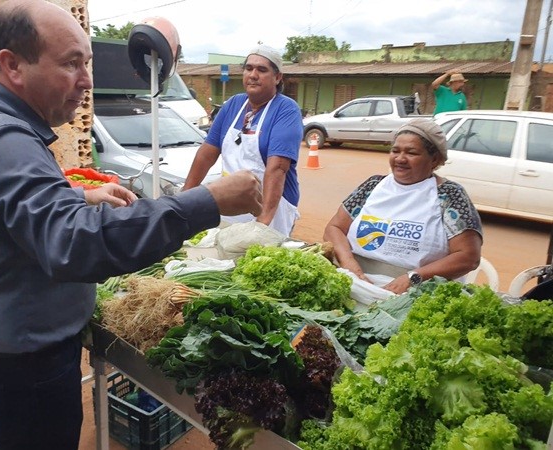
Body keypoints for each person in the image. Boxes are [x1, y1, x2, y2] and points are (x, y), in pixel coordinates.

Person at [0, 2, 262, 450]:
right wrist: (206, 201)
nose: (87, 80)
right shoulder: (2, 138)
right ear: (12, 64)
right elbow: (78, 245)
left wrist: (76, 195)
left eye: (87, 63)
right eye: (71, 63)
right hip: (20, 369)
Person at [323, 118, 482, 295]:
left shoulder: (449, 195)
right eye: (395, 151)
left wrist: (413, 277)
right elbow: (334, 228)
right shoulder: (373, 185)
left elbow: (468, 257)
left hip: (415, 293)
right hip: (357, 282)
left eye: (411, 153)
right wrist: (349, 263)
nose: (400, 159)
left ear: (434, 159)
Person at [183, 44, 304, 236]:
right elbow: (207, 154)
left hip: (272, 208)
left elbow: (278, 168)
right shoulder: (234, 105)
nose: (253, 74)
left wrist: (262, 222)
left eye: (262, 70)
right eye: (249, 68)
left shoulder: (286, 110)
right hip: (230, 205)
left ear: (278, 77)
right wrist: (183, 200)